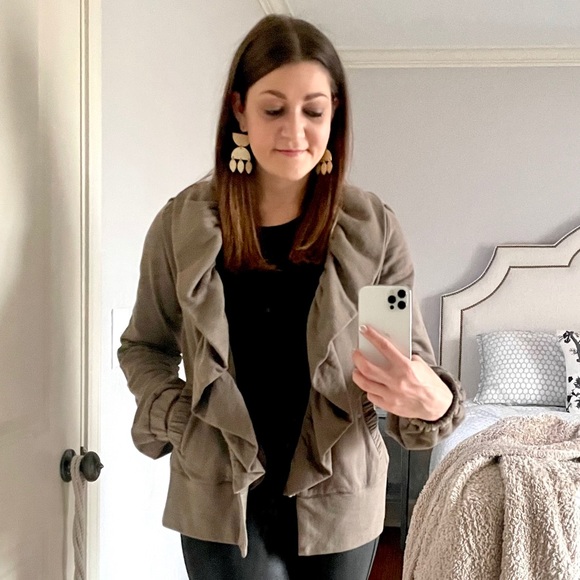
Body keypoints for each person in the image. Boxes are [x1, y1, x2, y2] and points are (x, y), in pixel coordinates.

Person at [118, 14, 465, 580]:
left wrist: (435, 401)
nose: (295, 131)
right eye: (274, 109)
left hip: (341, 495)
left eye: (314, 111)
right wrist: (181, 421)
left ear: (335, 115)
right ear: (239, 110)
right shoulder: (181, 226)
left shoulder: (372, 229)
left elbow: (399, 362)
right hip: (218, 498)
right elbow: (144, 347)